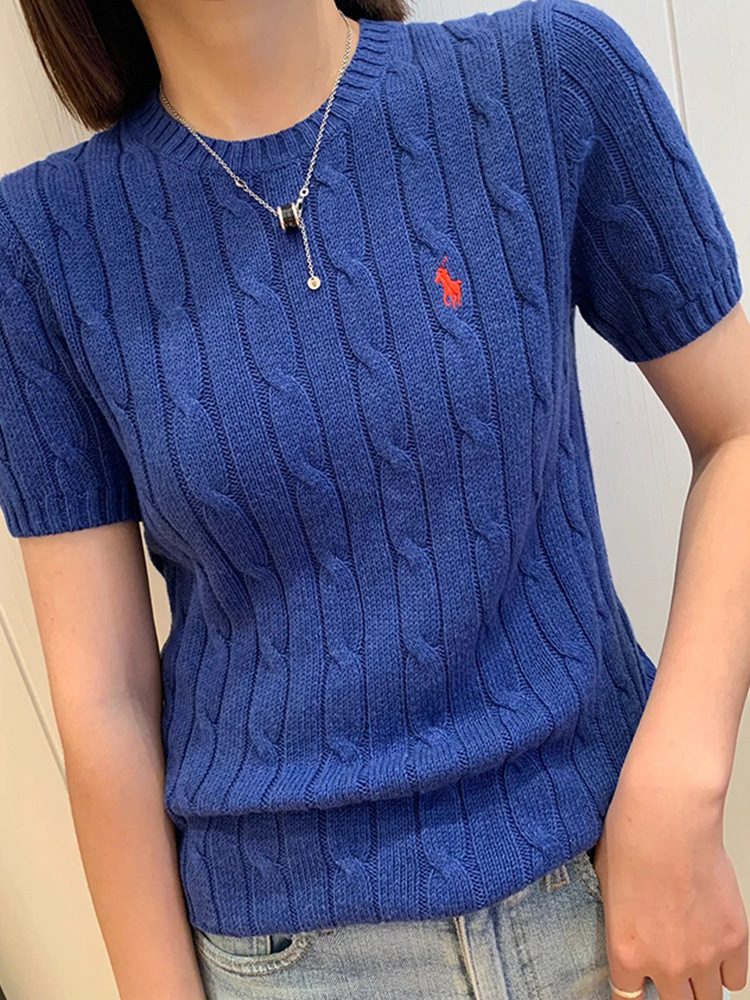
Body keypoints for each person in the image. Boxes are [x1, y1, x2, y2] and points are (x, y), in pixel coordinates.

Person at [0, 0, 748, 997]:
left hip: (609, 895)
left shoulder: (548, 78)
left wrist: (680, 780)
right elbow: (106, 699)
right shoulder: (38, 249)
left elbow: (739, 430)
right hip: (289, 961)